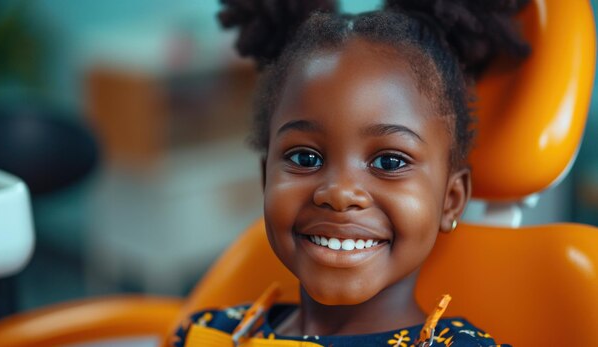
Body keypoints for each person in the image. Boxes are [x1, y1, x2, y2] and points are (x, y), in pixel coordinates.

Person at [175, 0, 529, 346]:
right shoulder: (210, 332)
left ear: (451, 200)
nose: (339, 192)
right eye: (305, 157)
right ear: (267, 178)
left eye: (389, 162)